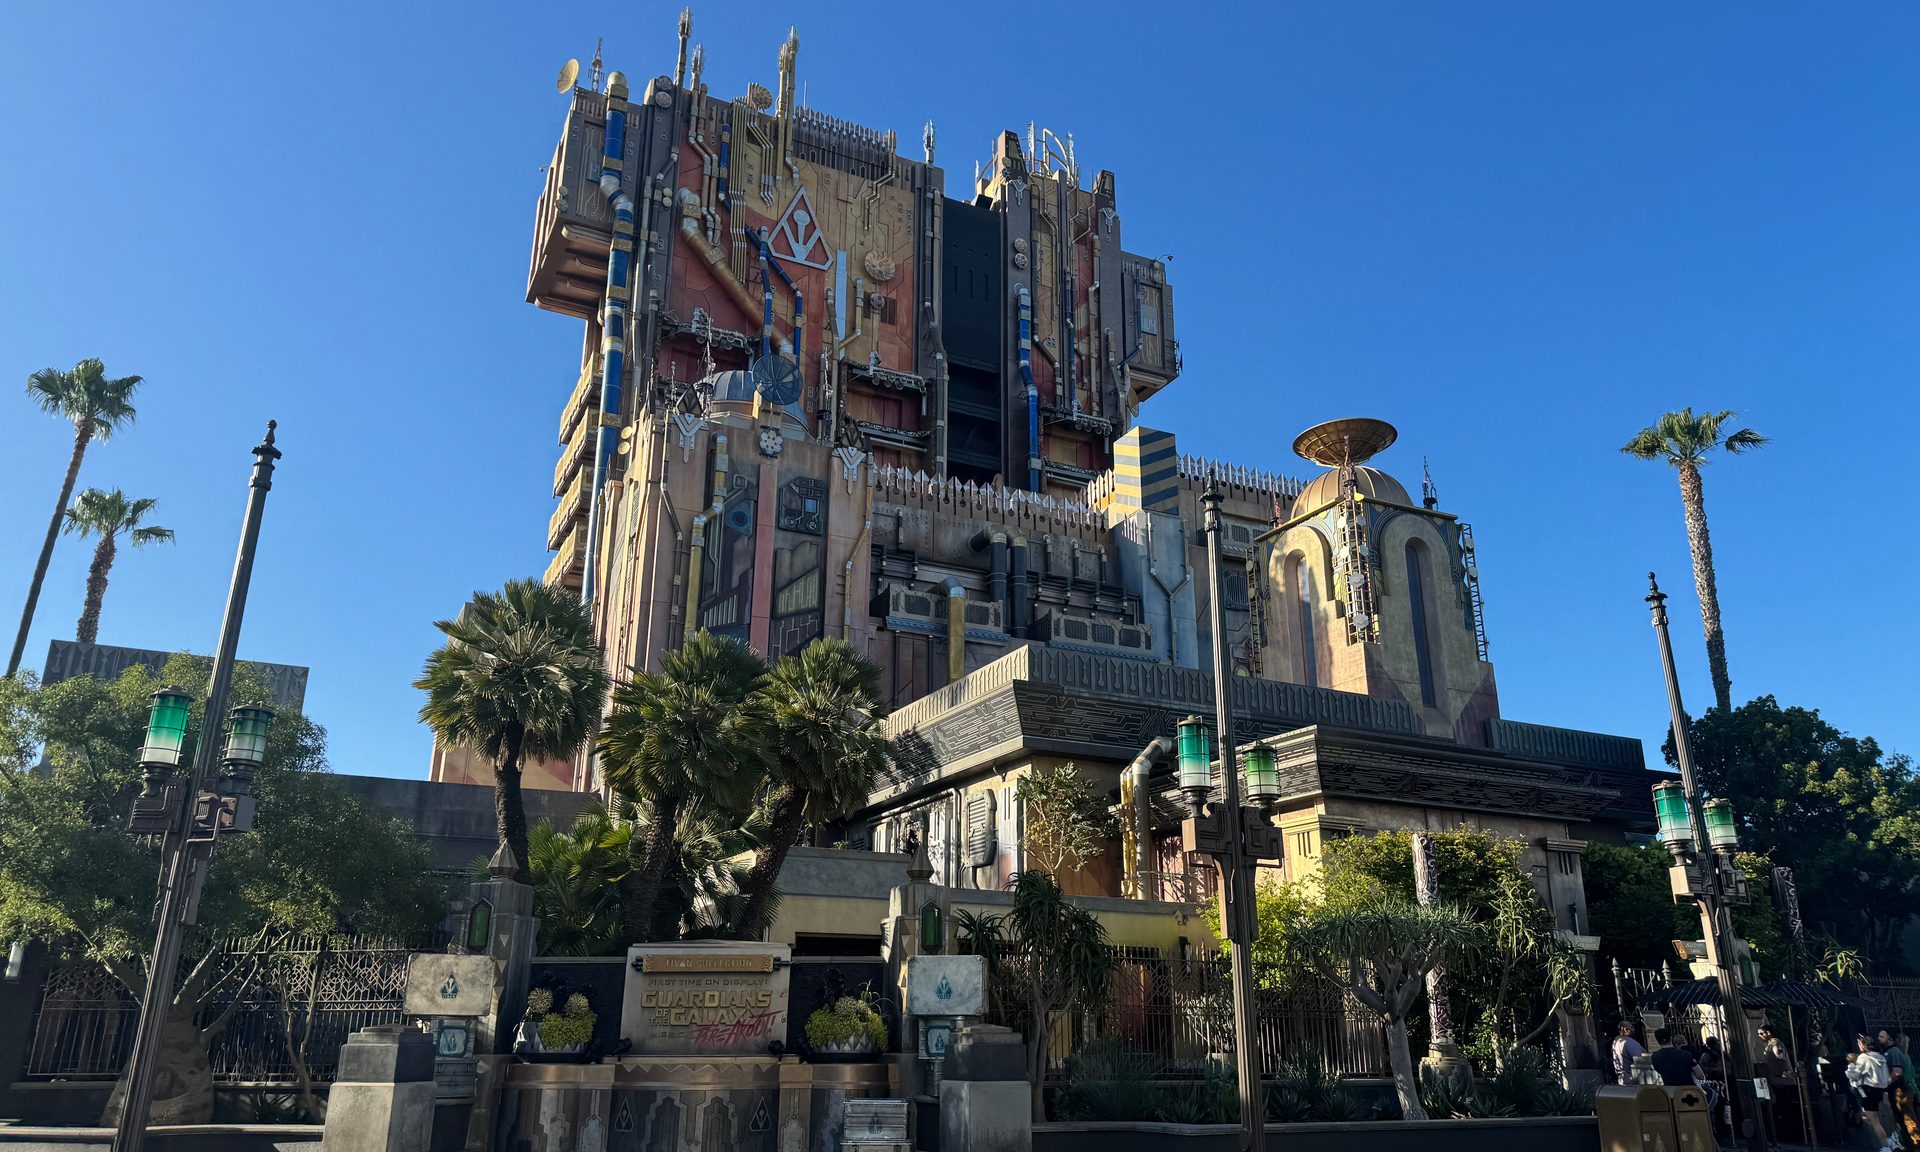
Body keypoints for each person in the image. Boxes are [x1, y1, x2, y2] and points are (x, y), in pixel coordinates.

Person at [1849, 1034, 1893, 1148]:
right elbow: (1886, 1075)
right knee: (1869, 1117)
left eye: (1859, 1044)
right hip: (1879, 1090)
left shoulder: (1864, 1057)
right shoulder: (1880, 1057)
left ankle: (1886, 1146)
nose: (1858, 1046)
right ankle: (1888, 1141)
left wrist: (1850, 1068)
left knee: (1874, 1121)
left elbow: (1856, 1074)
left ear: (1863, 1045)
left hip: (1868, 1090)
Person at [1879, 1029, 1919, 1149]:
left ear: (1892, 1040)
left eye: (1882, 1037)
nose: (1879, 1039)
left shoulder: (1894, 1053)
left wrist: (1884, 1084)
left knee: (1907, 1117)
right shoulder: (1902, 1055)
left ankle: (1915, 1142)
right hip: (1907, 1088)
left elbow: (1897, 1073)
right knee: (1906, 1117)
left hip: (1901, 1089)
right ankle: (1910, 1142)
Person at [1613, 1020, 1648, 1085]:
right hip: (1632, 1077)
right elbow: (1640, 1059)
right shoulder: (1629, 1042)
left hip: (1621, 1078)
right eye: (1631, 1027)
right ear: (1626, 1029)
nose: (1633, 1029)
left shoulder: (1616, 1041)